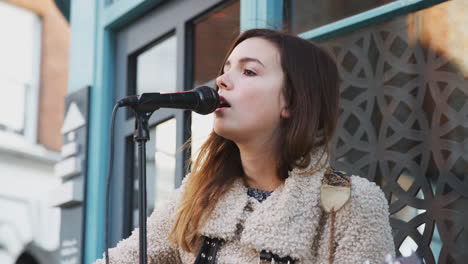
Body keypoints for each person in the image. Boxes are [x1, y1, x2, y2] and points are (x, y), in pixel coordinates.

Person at [94, 28, 395, 264]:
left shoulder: (353, 203)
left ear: (291, 101)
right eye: (225, 69)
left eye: (249, 71)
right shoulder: (196, 196)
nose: (221, 80)